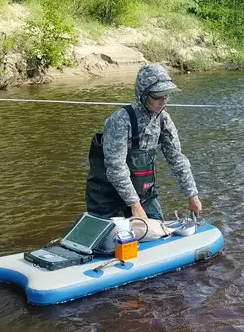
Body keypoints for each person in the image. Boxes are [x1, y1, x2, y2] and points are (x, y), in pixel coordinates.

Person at [85, 63, 203, 221]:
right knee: (119, 242)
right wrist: (135, 206)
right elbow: (116, 168)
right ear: (143, 94)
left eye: (166, 95)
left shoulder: (163, 120)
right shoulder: (120, 120)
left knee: (160, 234)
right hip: (107, 199)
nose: (163, 101)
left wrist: (192, 194)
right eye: (157, 96)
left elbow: (177, 159)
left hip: (144, 196)